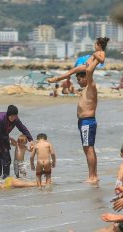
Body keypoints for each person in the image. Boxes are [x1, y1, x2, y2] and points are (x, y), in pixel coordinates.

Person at [48, 38, 109, 183]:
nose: (78, 81)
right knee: (88, 149)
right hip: (83, 122)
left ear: (85, 78)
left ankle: (92, 177)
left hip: (87, 121)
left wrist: (95, 55)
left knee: (88, 149)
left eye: (79, 79)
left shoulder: (91, 85)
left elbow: (88, 70)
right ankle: (94, 175)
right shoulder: (84, 89)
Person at [0, 105, 34, 180]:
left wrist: (31, 140)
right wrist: (9, 138)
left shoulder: (16, 119)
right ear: (8, 115)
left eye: (15, 116)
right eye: (11, 116)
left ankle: (6, 176)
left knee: (6, 155)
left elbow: (23, 128)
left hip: (4, 135)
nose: (13, 118)